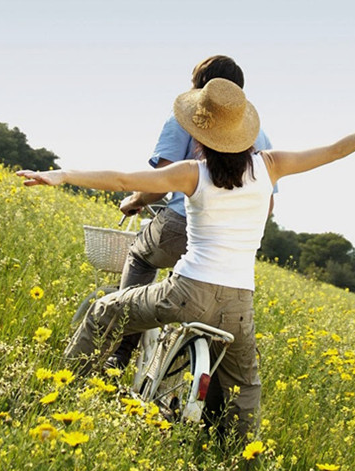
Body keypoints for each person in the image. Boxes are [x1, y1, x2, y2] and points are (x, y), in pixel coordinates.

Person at [17, 78, 355, 438]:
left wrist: (63, 175)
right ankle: (236, 454)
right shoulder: (271, 165)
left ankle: (61, 395)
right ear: (244, 132)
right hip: (239, 304)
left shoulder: (193, 173)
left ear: (200, 135)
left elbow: (126, 180)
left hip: (186, 294)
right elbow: (337, 150)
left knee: (103, 312)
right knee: (245, 386)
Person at [112, 55, 273, 370]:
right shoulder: (258, 135)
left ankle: (121, 348)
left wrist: (135, 200)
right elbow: (267, 206)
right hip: (229, 255)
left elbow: (160, 183)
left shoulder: (185, 118)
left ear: (202, 87)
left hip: (180, 228)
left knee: (141, 255)